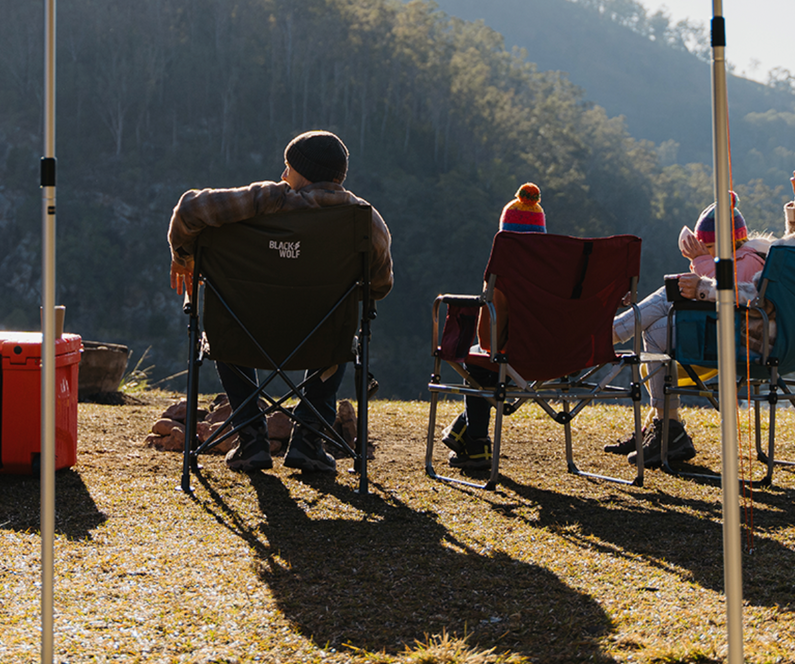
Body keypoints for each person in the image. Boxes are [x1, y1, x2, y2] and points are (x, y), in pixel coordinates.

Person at [167, 130, 394, 474]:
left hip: (243, 337)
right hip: (320, 341)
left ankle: (251, 439)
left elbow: (188, 209)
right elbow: (380, 285)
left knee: (225, 321)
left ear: (301, 172)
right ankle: (308, 440)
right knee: (339, 329)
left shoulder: (266, 199)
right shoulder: (364, 219)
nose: (283, 175)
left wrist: (183, 256)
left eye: (287, 167)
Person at [607, 194, 770, 468]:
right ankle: (664, 429)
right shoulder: (739, 257)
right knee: (657, 327)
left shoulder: (751, 259)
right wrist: (702, 265)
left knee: (664, 303)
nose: (705, 252)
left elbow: (731, 292)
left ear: (731, 242)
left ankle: (607, 334)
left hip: (729, 342)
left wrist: (700, 262)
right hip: (715, 333)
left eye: (709, 246)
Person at [441, 183, 545, 469]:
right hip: (555, 355)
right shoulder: (557, 268)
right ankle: (462, 430)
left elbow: (489, 341)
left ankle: (475, 442)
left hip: (514, 355)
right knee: (501, 359)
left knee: (482, 362)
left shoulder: (502, 274)